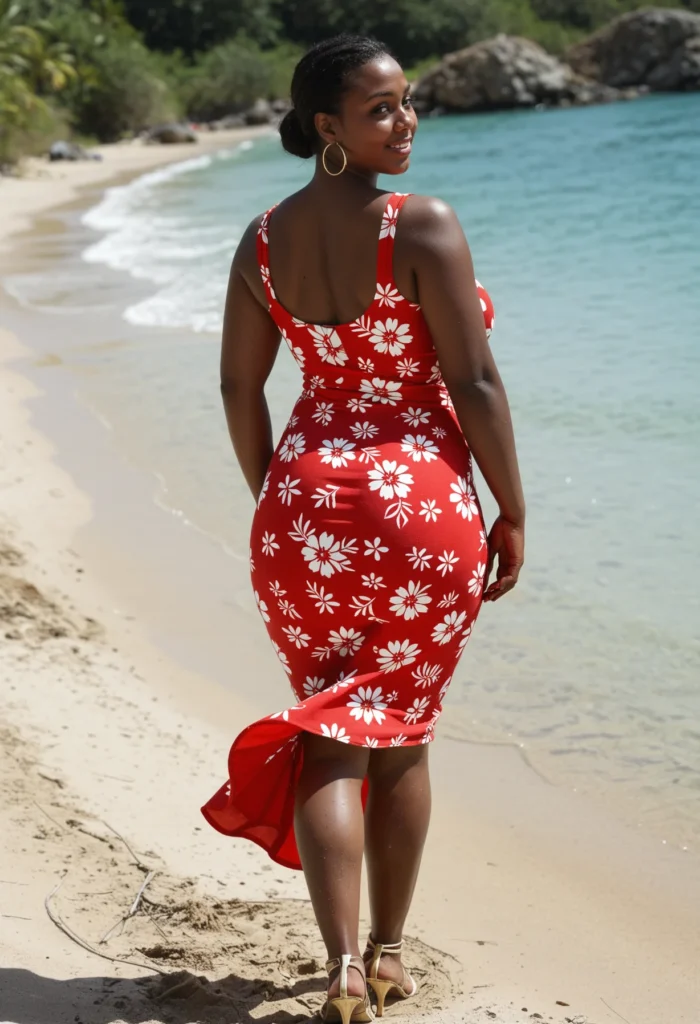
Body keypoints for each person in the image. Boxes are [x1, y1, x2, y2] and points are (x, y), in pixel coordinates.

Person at [202, 34, 525, 1024]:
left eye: (408, 101)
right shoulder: (418, 225)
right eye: (380, 108)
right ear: (327, 129)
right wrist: (512, 507)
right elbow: (469, 381)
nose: (405, 120)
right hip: (418, 511)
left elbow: (238, 386)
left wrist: (276, 497)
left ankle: (340, 964)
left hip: (304, 512)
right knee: (401, 737)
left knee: (333, 736)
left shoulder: (260, 240)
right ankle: (384, 952)